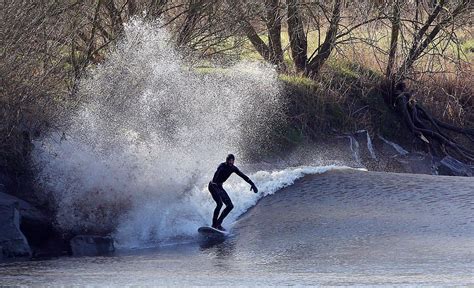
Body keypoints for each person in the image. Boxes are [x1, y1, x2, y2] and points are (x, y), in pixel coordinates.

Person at [208, 154, 258, 231]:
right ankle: (214, 224)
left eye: (232, 161)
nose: (231, 162)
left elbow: (243, 176)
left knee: (230, 206)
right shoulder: (221, 166)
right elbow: (216, 175)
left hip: (219, 187)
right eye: (229, 160)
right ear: (226, 160)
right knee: (220, 204)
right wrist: (216, 181)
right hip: (213, 186)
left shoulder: (233, 168)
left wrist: (252, 184)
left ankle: (218, 224)